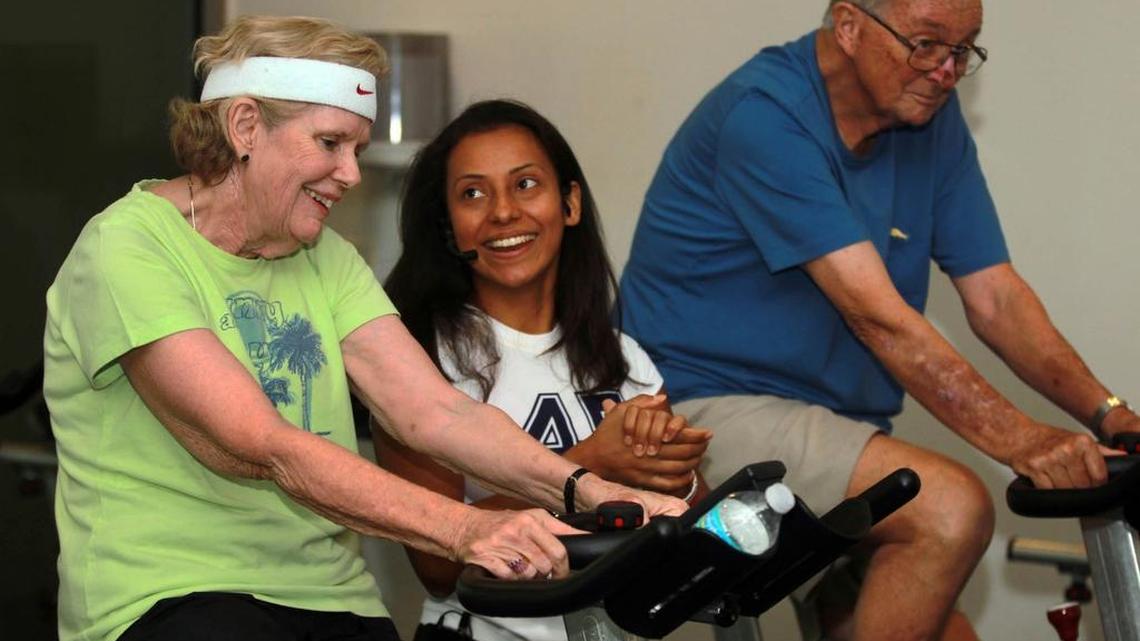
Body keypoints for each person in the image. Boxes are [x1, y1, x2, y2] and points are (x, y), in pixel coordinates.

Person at [43, 17, 686, 641]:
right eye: (330, 143)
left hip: (330, 595)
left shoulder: (322, 255)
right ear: (243, 126)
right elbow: (261, 445)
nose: (351, 174)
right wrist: (466, 530)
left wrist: (592, 492)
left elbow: (436, 413)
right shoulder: (127, 248)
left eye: (358, 149)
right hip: (171, 593)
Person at [617, 1, 1140, 640]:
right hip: (695, 418)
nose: (946, 72)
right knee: (950, 509)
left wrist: (1109, 413)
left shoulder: (927, 122)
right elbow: (879, 318)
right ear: (848, 26)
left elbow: (996, 298)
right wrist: (1023, 441)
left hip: (829, 430)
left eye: (963, 50)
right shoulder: (766, 116)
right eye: (926, 45)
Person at [375, 99, 712, 641]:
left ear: (570, 202)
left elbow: (693, 539)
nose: (504, 212)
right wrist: (591, 465)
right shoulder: (411, 358)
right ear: (448, 228)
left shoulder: (627, 360)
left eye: (526, 184)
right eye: (473, 193)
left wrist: (676, 467)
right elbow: (436, 569)